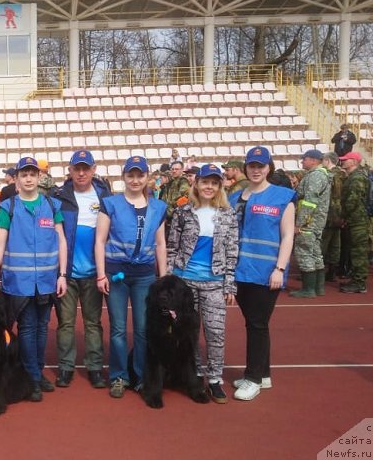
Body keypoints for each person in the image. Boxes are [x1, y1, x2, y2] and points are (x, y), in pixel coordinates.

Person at [0, 156, 67, 401]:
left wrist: (62, 274)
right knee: (28, 327)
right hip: (19, 282)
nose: (29, 178)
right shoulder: (7, 207)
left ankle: (36, 372)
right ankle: (32, 377)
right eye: (24, 174)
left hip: (46, 280)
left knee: (42, 328)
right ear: (17, 179)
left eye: (33, 174)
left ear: (39, 177)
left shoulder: (52, 205)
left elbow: (61, 241)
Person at [94, 155, 166, 399]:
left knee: (143, 329)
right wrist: (101, 274)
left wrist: (163, 276)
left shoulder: (158, 207)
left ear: (147, 177)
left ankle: (141, 376)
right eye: (131, 175)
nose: (135, 180)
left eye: (140, 175)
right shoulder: (110, 203)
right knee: (117, 329)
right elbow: (100, 240)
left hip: (144, 276)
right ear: (124, 177)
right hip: (116, 275)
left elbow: (160, 244)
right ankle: (119, 376)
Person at [166, 164, 239, 404]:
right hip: (185, 282)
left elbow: (232, 251)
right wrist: (170, 279)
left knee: (215, 332)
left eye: (214, 183)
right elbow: (172, 247)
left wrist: (229, 285)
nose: (209, 187)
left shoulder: (228, 214)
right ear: (196, 184)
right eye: (205, 182)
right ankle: (196, 374)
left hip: (215, 282)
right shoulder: (183, 211)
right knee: (190, 332)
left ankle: (215, 379)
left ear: (220, 186)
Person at [229, 146, 296, 401]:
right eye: (252, 165)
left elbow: (288, 235)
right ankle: (263, 374)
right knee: (254, 323)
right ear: (245, 168)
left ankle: (253, 378)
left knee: (257, 324)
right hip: (240, 270)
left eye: (261, 166)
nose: (256, 170)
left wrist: (280, 268)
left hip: (266, 272)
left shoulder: (282, 197)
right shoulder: (234, 197)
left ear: (269, 168)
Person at [53, 150, 111, 389]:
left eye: (85, 168)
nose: (81, 173)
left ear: (93, 169)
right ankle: (66, 367)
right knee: (66, 324)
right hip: (66, 273)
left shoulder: (105, 196)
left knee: (93, 323)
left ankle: (95, 367)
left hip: (94, 273)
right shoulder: (58, 197)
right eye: (76, 168)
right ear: (70, 170)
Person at [289, 150, 330, 298]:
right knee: (315, 253)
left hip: (309, 222)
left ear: (313, 160)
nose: (302, 162)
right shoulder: (320, 175)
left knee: (304, 252)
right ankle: (318, 288)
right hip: (316, 221)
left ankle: (308, 289)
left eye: (304, 159)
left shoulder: (315, 176)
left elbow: (309, 202)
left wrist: (300, 224)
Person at [338, 151, 370, 294]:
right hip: (354, 219)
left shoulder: (357, 178)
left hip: (357, 220)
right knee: (355, 250)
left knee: (359, 252)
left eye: (346, 159)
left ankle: (359, 282)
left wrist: (344, 216)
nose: (343, 161)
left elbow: (353, 201)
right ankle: (356, 279)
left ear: (354, 162)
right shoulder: (352, 177)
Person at [321, 152, 345, 282]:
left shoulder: (328, 175)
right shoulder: (343, 174)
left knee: (323, 243)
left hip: (329, 213)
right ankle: (332, 272)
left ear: (327, 160)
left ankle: (317, 273)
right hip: (340, 212)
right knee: (336, 244)